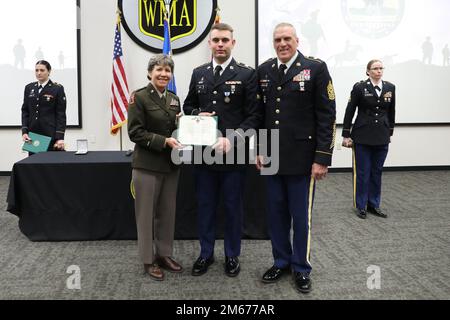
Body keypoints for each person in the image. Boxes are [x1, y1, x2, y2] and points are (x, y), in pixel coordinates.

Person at [256, 23, 336, 293]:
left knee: (301, 218)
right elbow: (262, 115)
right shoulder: (265, 69)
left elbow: (327, 116)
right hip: (271, 158)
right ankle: (281, 261)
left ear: (297, 40)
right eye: (277, 39)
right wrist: (259, 150)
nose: (282, 44)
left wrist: (322, 157)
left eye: (286, 38)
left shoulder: (315, 68)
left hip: (303, 159)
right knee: (276, 214)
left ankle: (301, 266)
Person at [183, 23, 261, 277]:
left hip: (233, 155)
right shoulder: (199, 73)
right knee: (205, 206)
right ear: (209, 44)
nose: (220, 44)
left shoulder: (246, 75)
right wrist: (198, 114)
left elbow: (253, 116)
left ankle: (232, 255)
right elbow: (188, 105)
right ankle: (205, 254)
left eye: (225, 40)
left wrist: (234, 138)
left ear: (232, 43)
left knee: (232, 208)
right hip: (203, 155)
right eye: (216, 40)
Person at [127, 54, 183, 281]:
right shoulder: (138, 97)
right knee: (146, 215)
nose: (163, 74)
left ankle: (164, 254)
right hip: (147, 165)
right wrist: (164, 141)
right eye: (159, 69)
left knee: (167, 214)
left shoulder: (174, 98)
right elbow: (135, 132)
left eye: (168, 70)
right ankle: (148, 260)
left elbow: (176, 128)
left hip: (170, 165)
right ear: (150, 72)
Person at [342, 59, 395, 219]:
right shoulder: (359, 87)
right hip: (363, 135)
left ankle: (374, 204)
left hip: (382, 135)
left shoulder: (390, 87)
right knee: (363, 172)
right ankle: (361, 205)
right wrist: (346, 133)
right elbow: (350, 110)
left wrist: (390, 130)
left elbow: (392, 110)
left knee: (376, 172)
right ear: (368, 71)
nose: (379, 71)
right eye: (375, 68)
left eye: (381, 68)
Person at [21, 60, 66, 151]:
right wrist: (25, 131)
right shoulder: (29, 88)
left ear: (49, 71)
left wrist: (60, 137)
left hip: (51, 135)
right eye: (36, 70)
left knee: (51, 163)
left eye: (42, 70)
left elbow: (61, 114)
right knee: (34, 163)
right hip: (33, 135)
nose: (39, 73)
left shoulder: (57, 88)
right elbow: (25, 111)